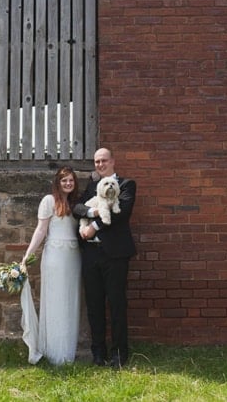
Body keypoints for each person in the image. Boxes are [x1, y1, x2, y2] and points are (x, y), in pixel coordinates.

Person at [74, 148, 137, 369]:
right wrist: (92, 214)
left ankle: (119, 354)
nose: (100, 164)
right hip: (91, 254)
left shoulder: (127, 184)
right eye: (97, 161)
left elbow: (121, 214)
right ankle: (98, 352)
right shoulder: (92, 186)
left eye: (104, 161)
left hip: (116, 255)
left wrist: (94, 227)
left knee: (117, 304)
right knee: (94, 305)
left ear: (113, 161)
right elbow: (77, 208)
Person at [20, 166, 82, 365]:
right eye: (64, 181)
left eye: (71, 180)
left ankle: (67, 348)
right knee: (55, 300)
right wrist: (27, 257)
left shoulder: (76, 203)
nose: (68, 184)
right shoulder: (49, 201)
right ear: (58, 182)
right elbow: (41, 230)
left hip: (73, 257)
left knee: (70, 301)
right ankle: (54, 350)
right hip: (54, 256)